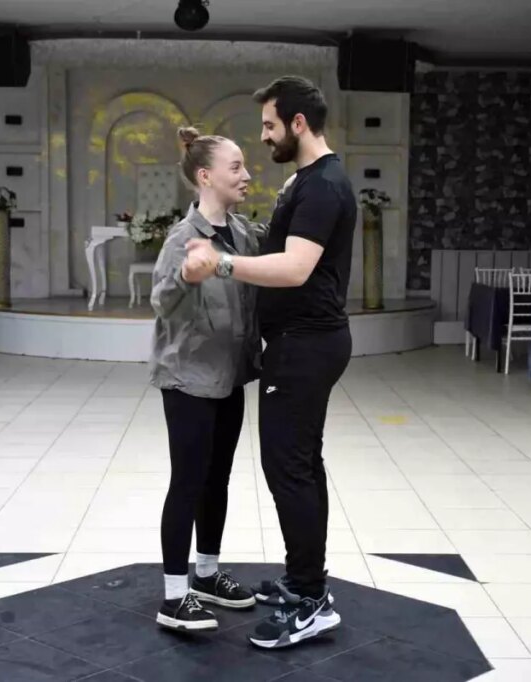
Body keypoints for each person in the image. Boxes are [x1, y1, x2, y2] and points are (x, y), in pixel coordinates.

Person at [182, 76, 357, 649]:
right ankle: (306, 581)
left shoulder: (323, 185)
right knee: (301, 464)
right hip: (300, 342)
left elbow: (295, 268)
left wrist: (220, 263)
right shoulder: (305, 181)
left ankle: (310, 601)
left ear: (298, 124)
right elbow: (275, 242)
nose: (263, 137)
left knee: (289, 468)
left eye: (269, 125)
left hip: (307, 344)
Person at [149, 126, 262, 631]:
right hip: (189, 379)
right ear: (205, 176)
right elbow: (160, 301)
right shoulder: (182, 238)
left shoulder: (242, 233)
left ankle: (207, 575)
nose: (247, 174)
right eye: (236, 167)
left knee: (218, 479)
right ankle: (174, 598)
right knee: (188, 482)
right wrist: (186, 276)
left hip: (229, 376)